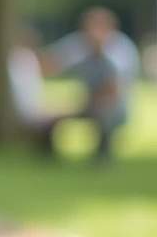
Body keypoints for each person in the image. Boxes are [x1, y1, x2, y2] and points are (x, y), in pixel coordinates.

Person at [40, 8, 140, 163]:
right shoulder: (77, 44)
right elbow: (48, 66)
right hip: (85, 102)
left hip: (113, 107)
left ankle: (103, 155)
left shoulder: (121, 50)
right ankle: (45, 154)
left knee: (105, 114)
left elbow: (113, 91)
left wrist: (81, 105)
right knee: (46, 112)